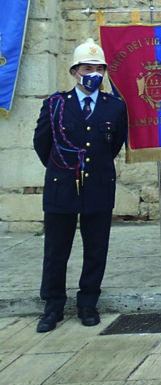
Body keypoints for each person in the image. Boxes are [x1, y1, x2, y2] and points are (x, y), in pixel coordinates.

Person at [32, 39, 128, 332]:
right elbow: (42, 144)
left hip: (98, 185)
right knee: (56, 249)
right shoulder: (55, 104)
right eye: (87, 68)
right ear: (75, 72)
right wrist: (64, 168)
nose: (94, 74)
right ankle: (53, 305)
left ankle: (88, 302)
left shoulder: (115, 107)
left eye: (99, 69)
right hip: (62, 185)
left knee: (96, 248)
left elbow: (113, 145)